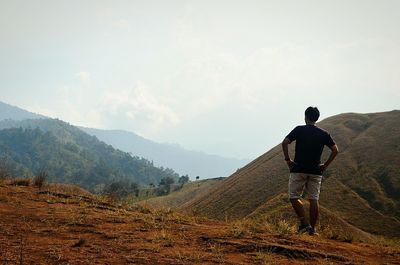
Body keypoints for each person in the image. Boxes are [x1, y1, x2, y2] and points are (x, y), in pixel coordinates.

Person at [281, 107, 339, 235]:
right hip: (316, 170)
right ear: (316, 118)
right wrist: (325, 165)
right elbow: (335, 150)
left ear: (305, 117)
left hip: (299, 169)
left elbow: (285, 143)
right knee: (313, 199)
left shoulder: (299, 130)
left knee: (294, 197)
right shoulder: (324, 134)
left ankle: (304, 224)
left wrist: (288, 160)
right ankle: (312, 229)